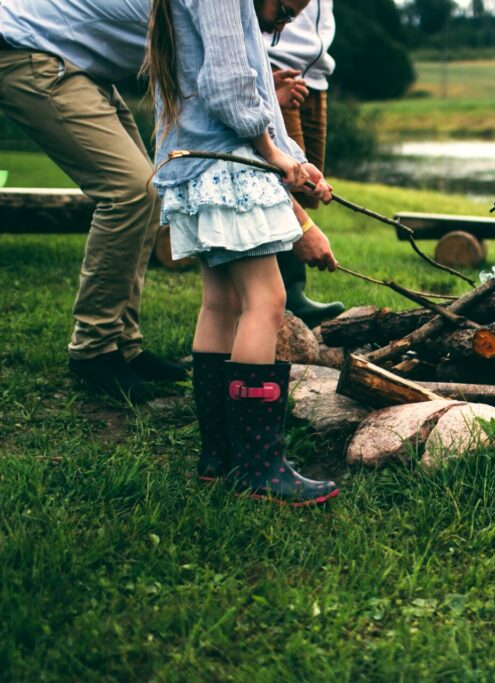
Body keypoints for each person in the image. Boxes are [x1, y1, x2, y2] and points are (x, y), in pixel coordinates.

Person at [145, 0, 340, 506]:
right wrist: (277, 158)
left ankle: (220, 456)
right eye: (286, 6)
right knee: (266, 302)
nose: (288, 20)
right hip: (224, 166)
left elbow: (250, 97)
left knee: (222, 304)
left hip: (196, 162)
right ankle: (259, 466)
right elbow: (229, 86)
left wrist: (297, 163)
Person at [0, 0, 188, 401]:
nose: (278, 27)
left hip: (79, 63)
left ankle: (124, 343)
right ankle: (93, 349)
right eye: (282, 13)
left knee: (148, 191)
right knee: (130, 191)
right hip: (31, 49)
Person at [265, 0, 346, 327]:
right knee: (281, 178)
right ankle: (286, 290)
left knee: (307, 184)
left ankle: (288, 289)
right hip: (277, 64)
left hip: (316, 73)